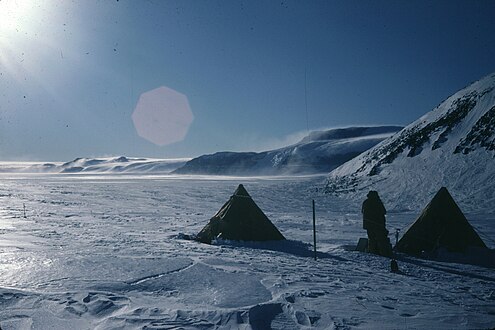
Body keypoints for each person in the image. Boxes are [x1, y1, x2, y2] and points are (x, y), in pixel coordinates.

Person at [362, 190, 392, 257]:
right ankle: (384, 253)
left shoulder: (366, 202)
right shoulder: (378, 202)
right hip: (378, 224)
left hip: (368, 225)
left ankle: (372, 252)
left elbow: (363, 212)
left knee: (371, 239)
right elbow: (383, 211)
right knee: (381, 239)